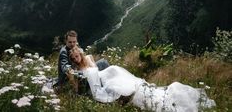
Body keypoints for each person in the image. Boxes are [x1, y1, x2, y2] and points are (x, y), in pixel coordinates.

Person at [69, 46, 216, 111]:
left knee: (118, 73)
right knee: (118, 81)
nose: (76, 59)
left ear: (80, 53)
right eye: (74, 58)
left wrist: (96, 68)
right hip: (103, 80)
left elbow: (96, 68)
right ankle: (129, 92)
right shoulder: (77, 69)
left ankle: (135, 88)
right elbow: (88, 80)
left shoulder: (89, 57)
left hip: (107, 74)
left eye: (77, 56)